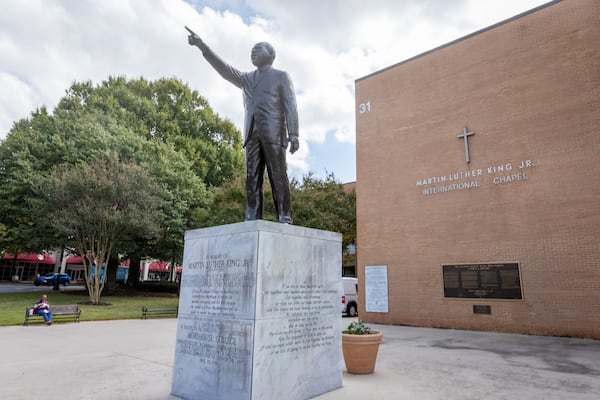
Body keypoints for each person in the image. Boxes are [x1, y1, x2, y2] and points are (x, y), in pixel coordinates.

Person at [187, 29, 299, 224]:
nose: (253, 53)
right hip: (251, 134)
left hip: (274, 133)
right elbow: (224, 70)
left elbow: (291, 106)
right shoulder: (246, 78)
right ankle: (252, 216)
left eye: (258, 49)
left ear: (270, 55)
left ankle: (284, 215)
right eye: (251, 51)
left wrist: (294, 133)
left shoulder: (281, 76)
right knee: (252, 177)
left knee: (278, 175)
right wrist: (202, 46)